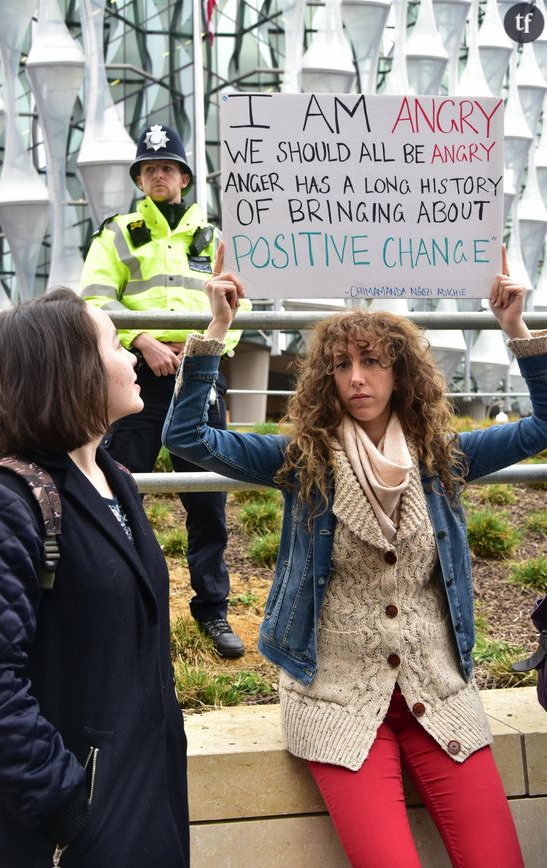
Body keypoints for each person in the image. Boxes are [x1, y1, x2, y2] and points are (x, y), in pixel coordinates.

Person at [162, 244, 547, 867]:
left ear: (402, 373)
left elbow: (544, 427)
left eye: (372, 362)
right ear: (326, 378)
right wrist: (217, 329)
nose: (357, 378)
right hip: (337, 703)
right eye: (341, 365)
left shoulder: (442, 458)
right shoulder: (300, 463)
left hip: (440, 695)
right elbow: (186, 438)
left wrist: (514, 329)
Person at [0, 289, 188, 868]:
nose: (132, 358)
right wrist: (65, 801)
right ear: (72, 372)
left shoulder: (115, 479)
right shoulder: (2, 504)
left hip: (146, 798)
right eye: (116, 344)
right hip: (69, 832)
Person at [80, 122, 250, 658]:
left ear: (183, 177)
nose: (158, 175)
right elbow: (94, 300)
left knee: (207, 497)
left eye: (167, 167)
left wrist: (201, 354)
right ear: (139, 178)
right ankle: (121, 604)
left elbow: (239, 309)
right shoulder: (117, 232)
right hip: (134, 377)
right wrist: (145, 340)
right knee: (120, 489)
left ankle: (213, 610)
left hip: (199, 375)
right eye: (149, 168)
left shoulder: (216, 237)